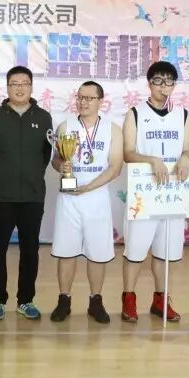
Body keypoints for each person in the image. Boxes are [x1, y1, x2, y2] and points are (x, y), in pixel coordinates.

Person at [121, 61, 189, 322]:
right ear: (149, 83)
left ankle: (160, 300)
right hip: (144, 193)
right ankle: (129, 298)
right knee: (136, 251)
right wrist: (152, 160)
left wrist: (185, 157)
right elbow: (128, 153)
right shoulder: (135, 113)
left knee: (165, 251)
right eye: (159, 80)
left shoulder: (182, 114)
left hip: (172, 192)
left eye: (169, 81)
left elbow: (187, 149)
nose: (164, 86)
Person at [0, 65, 53, 320]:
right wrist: (4, 172)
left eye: (24, 83)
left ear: (31, 87)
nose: (19, 88)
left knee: (30, 250)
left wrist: (31, 174)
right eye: (14, 84)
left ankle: (26, 300)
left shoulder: (43, 117)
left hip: (32, 196)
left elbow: (46, 154)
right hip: (2, 195)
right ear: (7, 87)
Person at [49, 81, 123, 324]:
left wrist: (89, 187)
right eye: (80, 97)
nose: (83, 102)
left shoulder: (112, 130)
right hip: (69, 196)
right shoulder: (65, 126)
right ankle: (64, 300)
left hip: (96, 197)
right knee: (66, 251)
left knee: (97, 252)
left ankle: (95, 301)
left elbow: (115, 167)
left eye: (89, 98)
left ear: (101, 101)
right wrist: (62, 166)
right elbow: (56, 160)